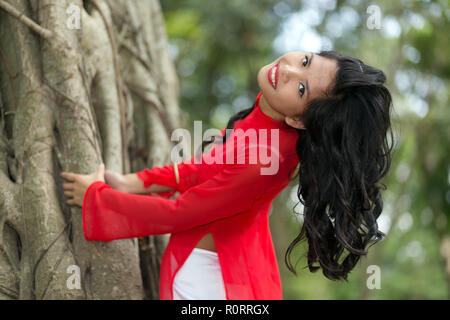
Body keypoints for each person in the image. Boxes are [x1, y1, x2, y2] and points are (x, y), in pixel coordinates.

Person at [61, 50, 394, 300]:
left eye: (303, 89)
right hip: (234, 259)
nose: (288, 70)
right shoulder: (270, 114)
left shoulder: (267, 158)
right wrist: (134, 182)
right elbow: (208, 167)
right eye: (305, 61)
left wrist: (96, 199)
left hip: (209, 286)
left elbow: (178, 214)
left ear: (300, 121)